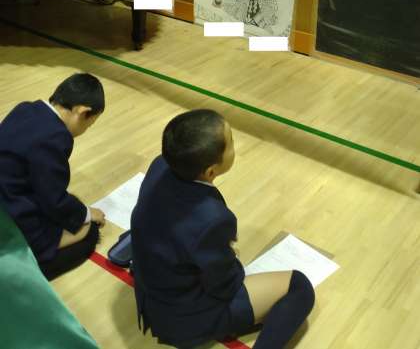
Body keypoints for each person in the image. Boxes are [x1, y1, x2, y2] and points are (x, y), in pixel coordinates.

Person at [131, 110, 315, 349]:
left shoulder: (160, 164)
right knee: (299, 287)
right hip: (182, 319)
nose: (234, 145)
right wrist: (230, 260)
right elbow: (226, 285)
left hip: (150, 296)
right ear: (210, 171)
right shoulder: (212, 218)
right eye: (231, 142)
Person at [0, 74, 106, 281]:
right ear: (82, 112)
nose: (85, 130)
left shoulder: (25, 108)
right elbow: (53, 198)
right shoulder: (54, 138)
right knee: (89, 233)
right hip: (10, 214)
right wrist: (86, 214)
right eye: (89, 125)